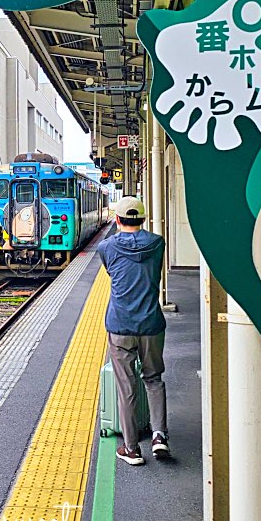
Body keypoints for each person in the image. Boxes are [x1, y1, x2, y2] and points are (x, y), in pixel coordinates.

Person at [99, 195, 170, 466]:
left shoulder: (106, 248)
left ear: (117, 219)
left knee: (126, 386)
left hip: (120, 325)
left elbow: (114, 273)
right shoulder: (157, 243)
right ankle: (159, 436)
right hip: (151, 323)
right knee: (154, 379)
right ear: (142, 219)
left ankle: (131, 448)